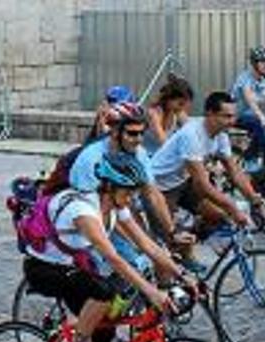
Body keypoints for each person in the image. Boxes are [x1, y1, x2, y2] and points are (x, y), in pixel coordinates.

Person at [24, 152, 190, 342]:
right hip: (43, 268)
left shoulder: (115, 205)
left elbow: (145, 243)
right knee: (103, 292)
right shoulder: (82, 210)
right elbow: (113, 257)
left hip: (73, 265)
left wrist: (181, 274)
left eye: (134, 192)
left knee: (110, 315)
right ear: (109, 187)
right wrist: (151, 292)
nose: (132, 198)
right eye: (128, 192)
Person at [70, 101, 186, 272]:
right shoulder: (90, 158)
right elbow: (100, 211)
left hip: (119, 209)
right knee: (133, 265)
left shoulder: (138, 153)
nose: (139, 139)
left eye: (142, 133)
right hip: (91, 217)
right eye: (132, 133)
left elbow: (153, 194)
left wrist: (172, 231)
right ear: (115, 132)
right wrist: (136, 243)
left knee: (156, 256)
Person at [150, 91, 263, 246]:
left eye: (233, 116)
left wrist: (255, 199)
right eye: (227, 116)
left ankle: (192, 235)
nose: (232, 121)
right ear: (210, 114)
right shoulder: (192, 135)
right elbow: (202, 185)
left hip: (182, 182)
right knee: (172, 241)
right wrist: (234, 208)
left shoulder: (221, 135)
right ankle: (175, 246)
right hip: (159, 187)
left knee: (219, 216)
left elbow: (235, 172)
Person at [231, 46, 265, 166]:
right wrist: (262, 117)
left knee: (258, 124)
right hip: (236, 116)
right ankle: (253, 159)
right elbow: (250, 100)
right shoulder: (245, 78)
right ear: (254, 64)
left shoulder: (262, 81)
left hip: (252, 117)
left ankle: (248, 156)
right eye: (263, 62)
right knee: (258, 123)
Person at [144, 73, 193, 155]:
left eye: (184, 104)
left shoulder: (178, 113)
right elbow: (165, 144)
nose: (182, 108)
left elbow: (192, 134)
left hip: (162, 156)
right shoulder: (154, 113)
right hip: (148, 156)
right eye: (180, 104)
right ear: (169, 99)